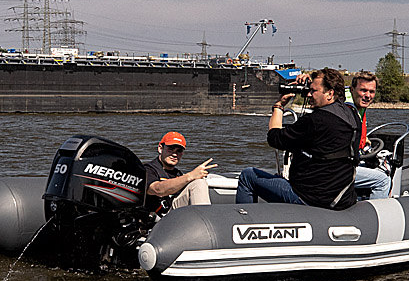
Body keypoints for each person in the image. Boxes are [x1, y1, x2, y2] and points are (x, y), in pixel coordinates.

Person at [236, 67, 361, 209]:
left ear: (330, 94)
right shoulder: (352, 115)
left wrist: (279, 106)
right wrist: (312, 82)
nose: (308, 95)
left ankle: (243, 222)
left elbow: (274, 137)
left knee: (247, 176)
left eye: (313, 91)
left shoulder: (315, 121)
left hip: (310, 198)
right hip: (340, 198)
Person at [143, 131, 216, 214]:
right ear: (160, 148)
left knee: (199, 182)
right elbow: (157, 189)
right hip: (158, 218)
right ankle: (205, 222)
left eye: (179, 151)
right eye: (171, 149)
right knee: (198, 183)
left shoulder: (178, 174)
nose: (174, 154)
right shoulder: (148, 169)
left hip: (175, 215)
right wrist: (190, 176)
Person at [346, 70, 392, 200]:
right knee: (383, 180)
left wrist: (363, 140)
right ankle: (377, 216)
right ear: (352, 89)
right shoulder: (346, 109)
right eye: (363, 90)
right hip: (339, 169)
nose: (367, 95)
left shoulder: (358, 106)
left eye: (371, 92)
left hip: (350, 161)